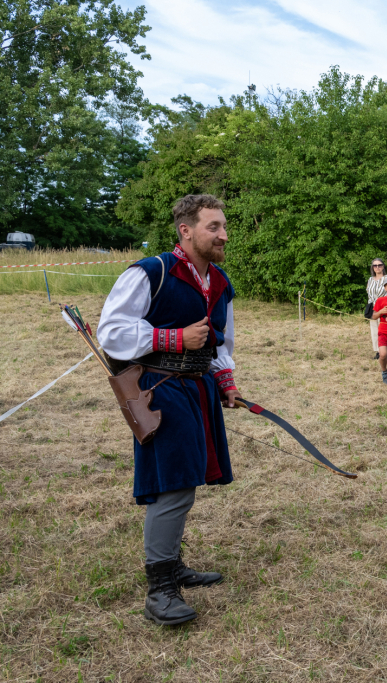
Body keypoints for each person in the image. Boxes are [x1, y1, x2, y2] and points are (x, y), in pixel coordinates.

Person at [97, 194, 240, 626]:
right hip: (159, 389)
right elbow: (112, 332)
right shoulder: (151, 272)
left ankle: (173, 565)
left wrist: (225, 379)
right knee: (173, 486)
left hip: (197, 390)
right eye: (214, 226)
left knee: (186, 480)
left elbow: (220, 340)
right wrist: (172, 338)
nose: (223, 235)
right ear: (186, 230)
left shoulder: (219, 281)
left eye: (224, 226)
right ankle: (160, 591)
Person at [366, 259, 387, 358]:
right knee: (374, 330)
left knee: (384, 330)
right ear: (372, 267)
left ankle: (386, 352)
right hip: (373, 308)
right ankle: (378, 351)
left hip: (384, 307)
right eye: (375, 265)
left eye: (379, 265)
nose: (377, 267)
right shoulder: (370, 279)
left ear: (383, 266)